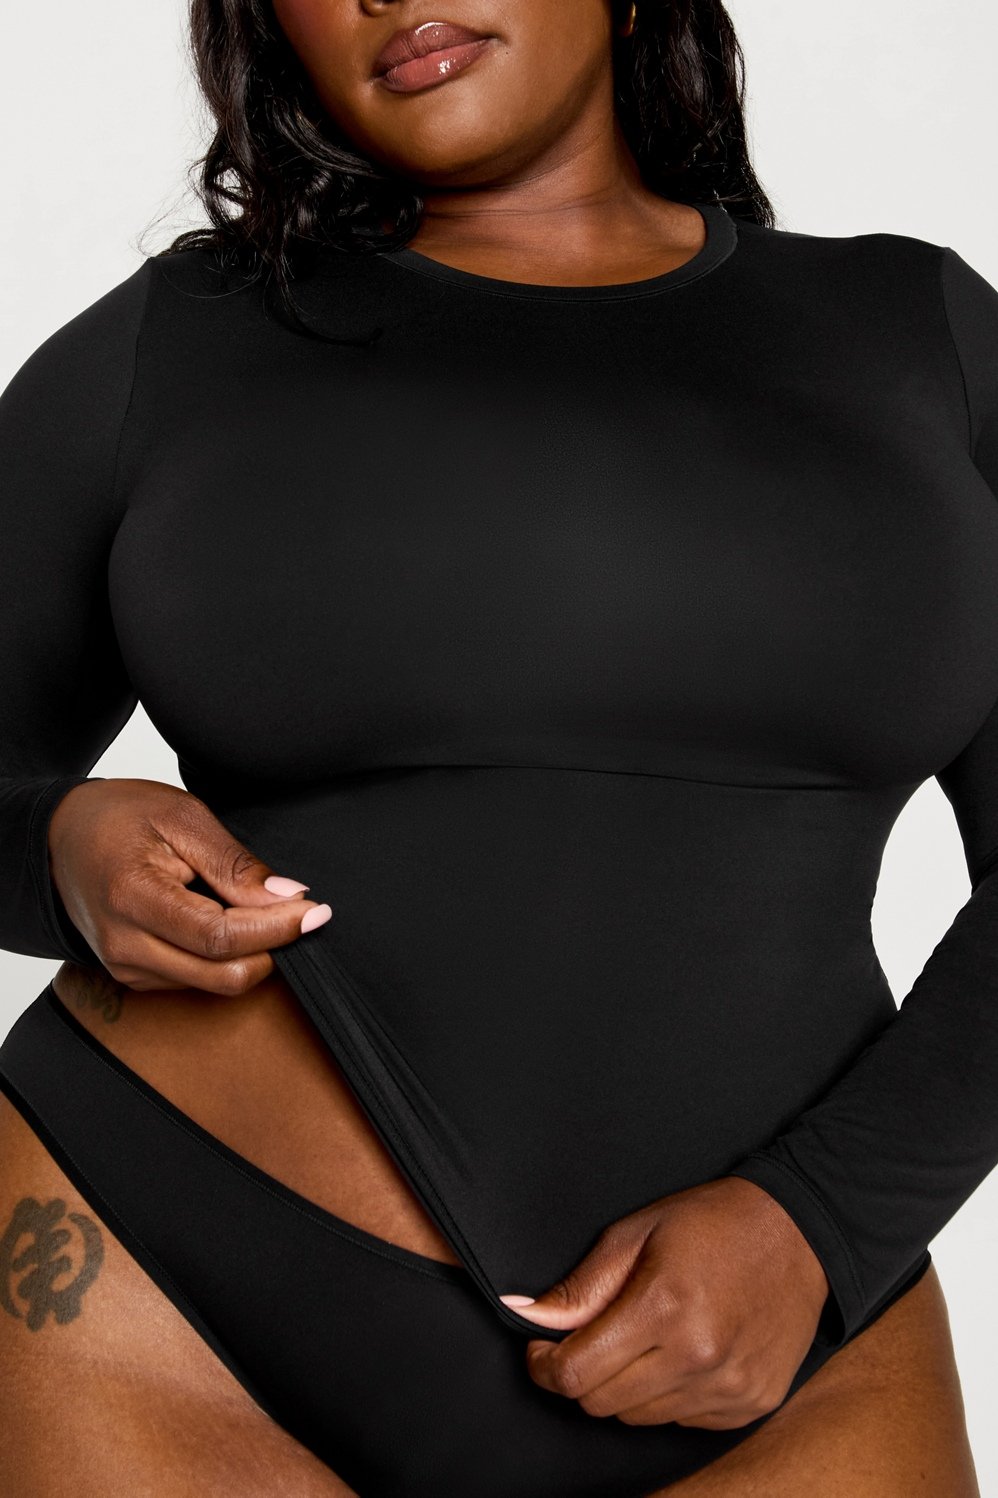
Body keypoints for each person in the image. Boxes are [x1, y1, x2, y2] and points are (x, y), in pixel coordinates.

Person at [0, 0, 993, 1492]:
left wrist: (823, 1222)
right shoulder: (179, 339)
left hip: (790, 1346)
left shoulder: (918, 337)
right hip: (167, 1296)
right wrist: (62, 848)